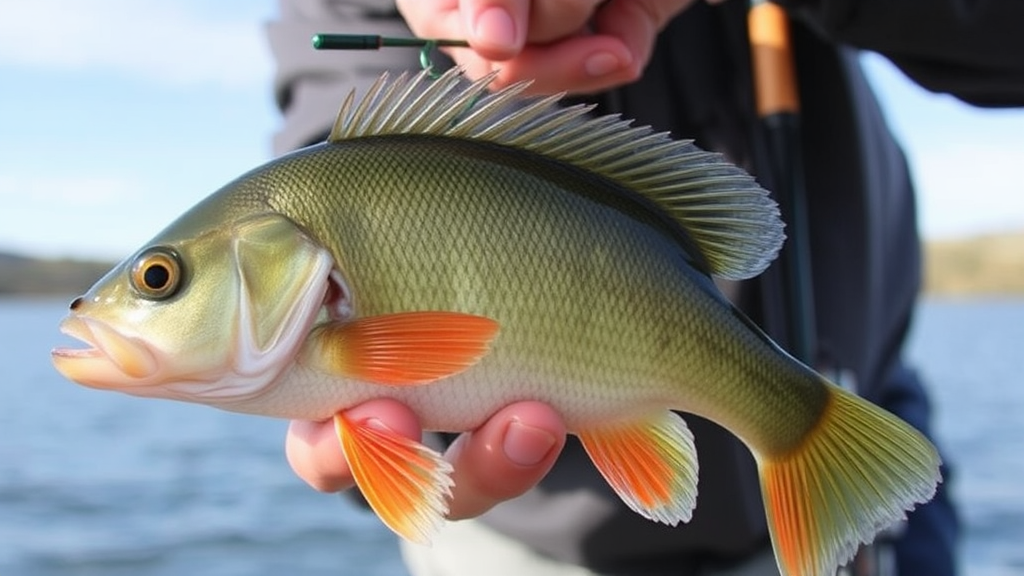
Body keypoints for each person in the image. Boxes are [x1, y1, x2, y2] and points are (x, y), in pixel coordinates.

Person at [267, 1, 1022, 574]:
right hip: (535, 555)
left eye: (162, 279)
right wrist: (405, 458)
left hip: (882, 494)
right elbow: (333, 140)